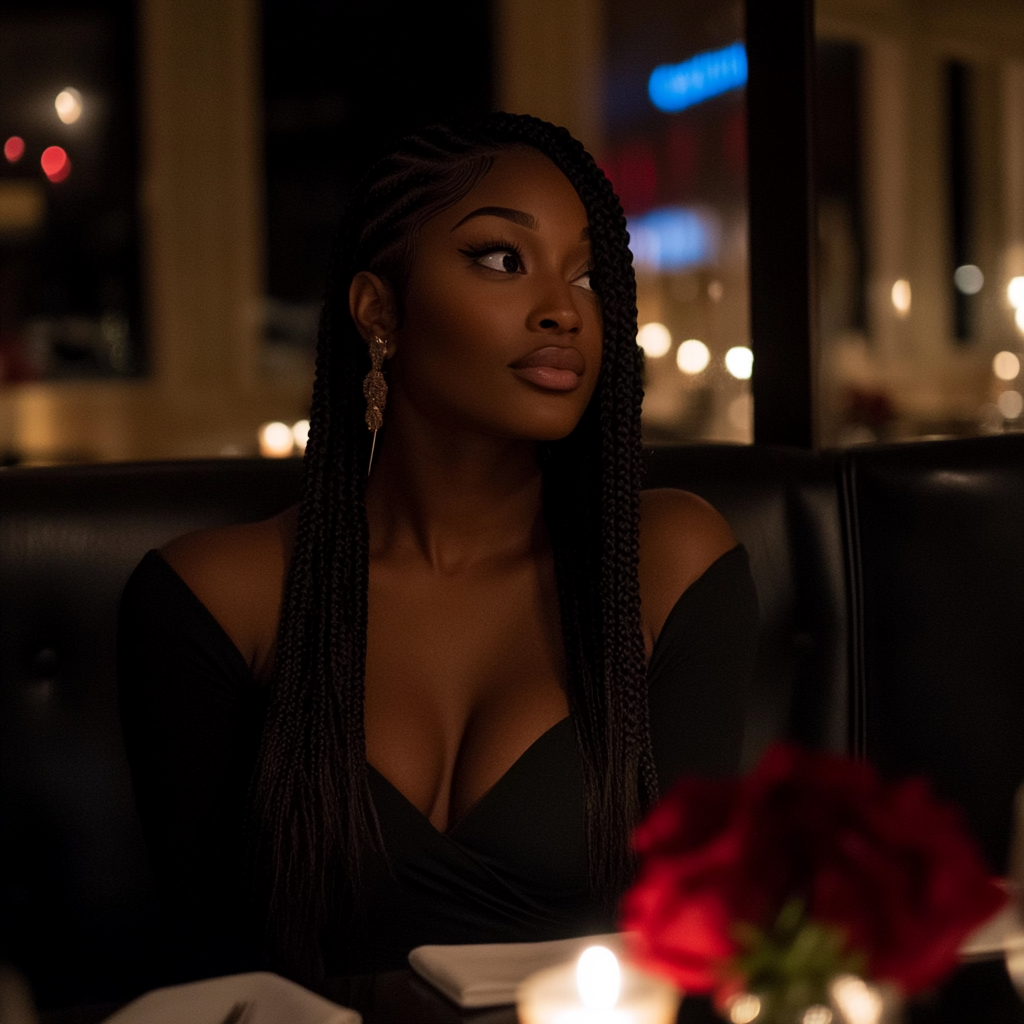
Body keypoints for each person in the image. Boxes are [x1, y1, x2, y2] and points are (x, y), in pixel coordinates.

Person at [118, 113, 758, 983]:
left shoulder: (667, 563)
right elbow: (202, 973)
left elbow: (705, 947)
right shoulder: (219, 599)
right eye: (503, 259)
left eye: (588, 274)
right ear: (378, 310)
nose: (562, 310)